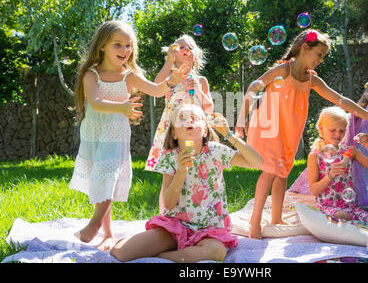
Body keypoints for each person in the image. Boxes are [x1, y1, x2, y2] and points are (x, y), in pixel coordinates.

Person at [235, 29, 368, 239]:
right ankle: (254, 223)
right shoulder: (284, 70)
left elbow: (341, 100)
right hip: (270, 127)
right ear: (305, 47)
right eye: (319, 54)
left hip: (290, 130)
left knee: (283, 171)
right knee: (271, 170)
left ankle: (275, 218)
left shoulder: (311, 79)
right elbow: (255, 86)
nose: (321, 60)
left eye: (323, 56)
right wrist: (241, 116)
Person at [69, 20, 189, 251]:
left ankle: (94, 225)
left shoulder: (129, 75)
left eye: (128, 45)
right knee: (100, 181)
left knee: (109, 175)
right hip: (94, 133)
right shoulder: (91, 74)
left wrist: (171, 82)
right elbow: (95, 101)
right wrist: (122, 107)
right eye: (118, 45)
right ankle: (108, 233)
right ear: (102, 45)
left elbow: (155, 90)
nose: (125, 51)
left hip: (116, 134)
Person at [110, 104, 263, 262]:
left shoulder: (216, 152)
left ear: (204, 131)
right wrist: (181, 172)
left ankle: (163, 256)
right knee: (120, 252)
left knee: (217, 252)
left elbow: (257, 162)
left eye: (195, 118)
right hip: (175, 227)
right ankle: (178, 250)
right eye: (182, 118)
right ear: (174, 133)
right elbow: (168, 203)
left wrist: (229, 134)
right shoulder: (170, 158)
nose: (189, 120)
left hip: (209, 231)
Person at [145, 34, 214, 213]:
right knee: (169, 173)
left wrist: (198, 90)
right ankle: (164, 214)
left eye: (189, 47)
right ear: (173, 54)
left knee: (196, 172)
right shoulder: (171, 77)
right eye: (180, 47)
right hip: (173, 130)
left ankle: (193, 212)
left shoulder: (201, 81)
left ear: (196, 55)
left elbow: (209, 108)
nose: (185, 50)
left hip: (194, 130)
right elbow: (155, 87)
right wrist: (168, 62)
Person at [308, 106, 368, 239]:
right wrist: (329, 176)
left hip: (351, 208)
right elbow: (314, 190)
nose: (338, 135)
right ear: (320, 128)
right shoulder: (315, 156)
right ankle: (360, 233)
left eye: (342, 131)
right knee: (341, 217)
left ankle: (359, 232)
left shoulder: (349, 152)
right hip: (328, 208)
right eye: (333, 130)